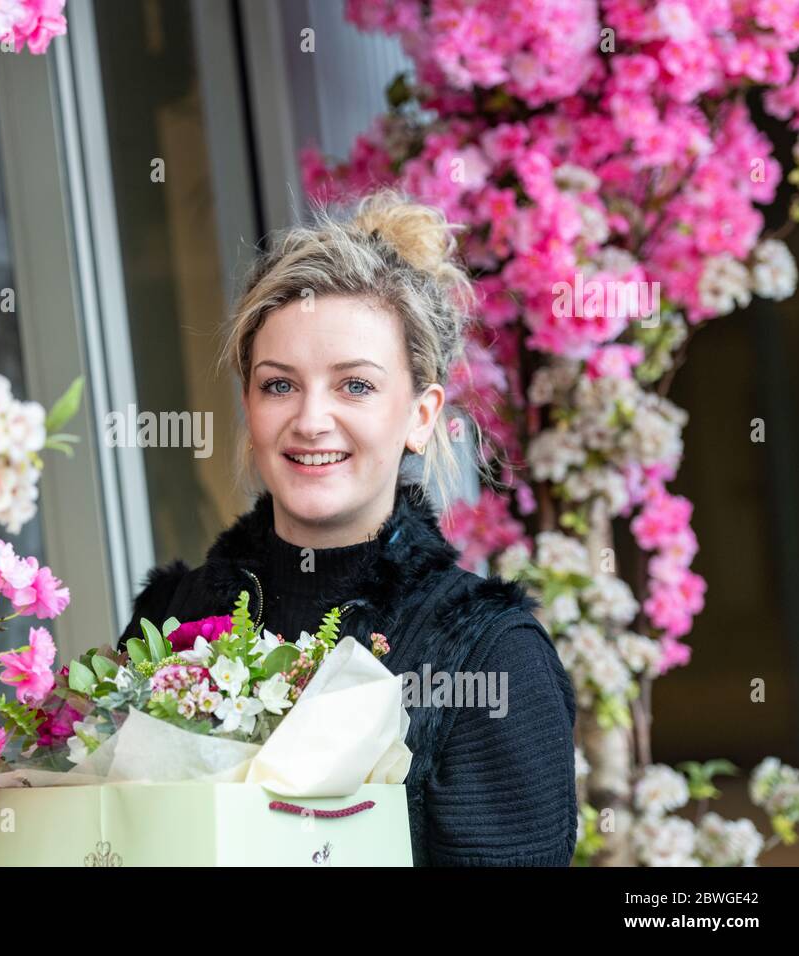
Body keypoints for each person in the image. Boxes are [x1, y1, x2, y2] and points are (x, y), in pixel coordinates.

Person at [117, 190, 577, 866]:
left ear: (421, 416)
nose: (310, 420)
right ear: (249, 404)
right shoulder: (170, 619)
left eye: (355, 386)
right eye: (280, 385)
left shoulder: (488, 657)